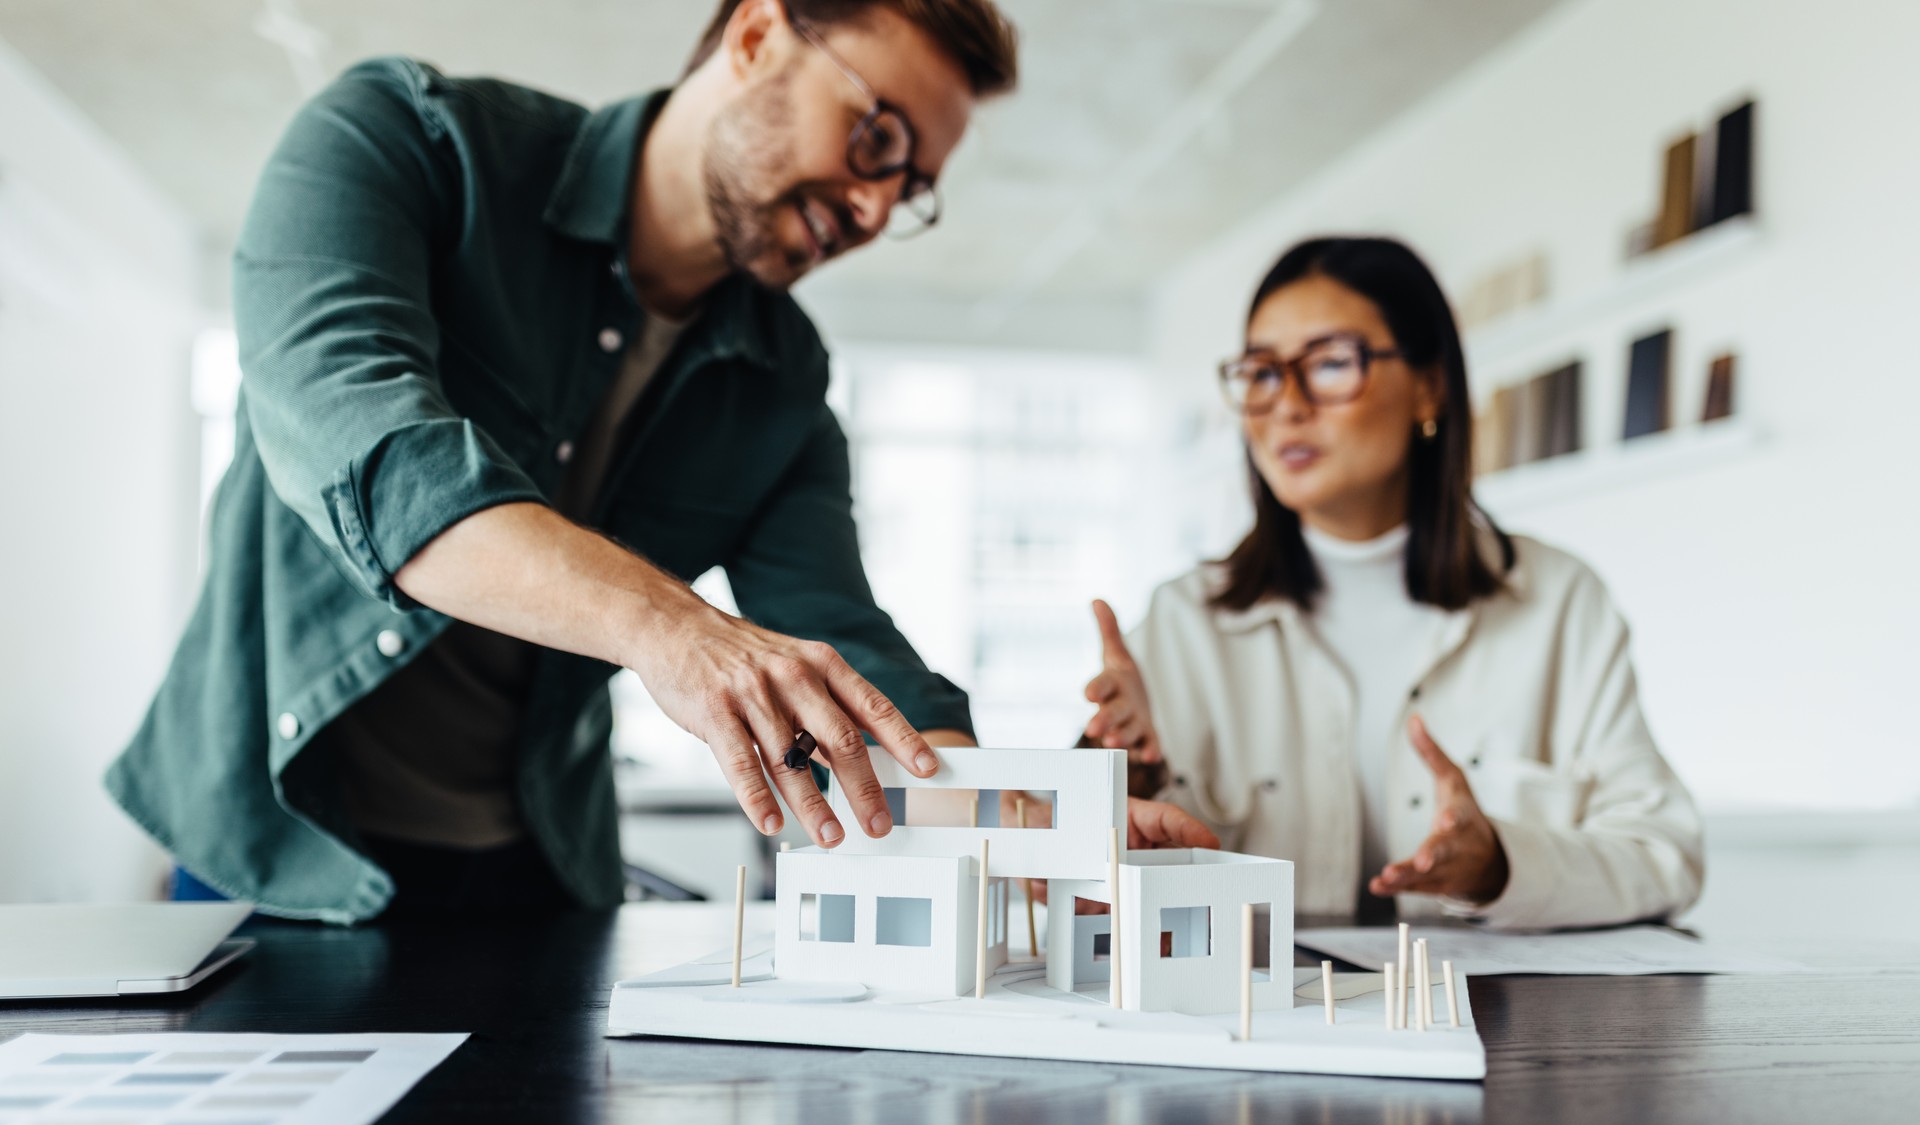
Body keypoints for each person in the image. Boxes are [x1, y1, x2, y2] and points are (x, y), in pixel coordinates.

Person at [109, 0, 1210, 922]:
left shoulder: (782, 384)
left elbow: (844, 644)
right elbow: (372, 454)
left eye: (911, 184)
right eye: (875, 137)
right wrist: (678, 632)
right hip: (270, 848)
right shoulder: (406, 143)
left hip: (530, 879)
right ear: (756, 37)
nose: (877, 205)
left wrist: (1027, 823)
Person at [1082, 237, 1703, 929]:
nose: (1286, 402)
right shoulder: (1183, 621)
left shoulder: (1560, 603)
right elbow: (1079, 884)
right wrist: (1116, 773)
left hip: (1494, 1025)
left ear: (1429, 385)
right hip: (1257, 1022)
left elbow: (1666, 854)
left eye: (1329, 363)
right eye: (1261, 371)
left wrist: (1501, 864)